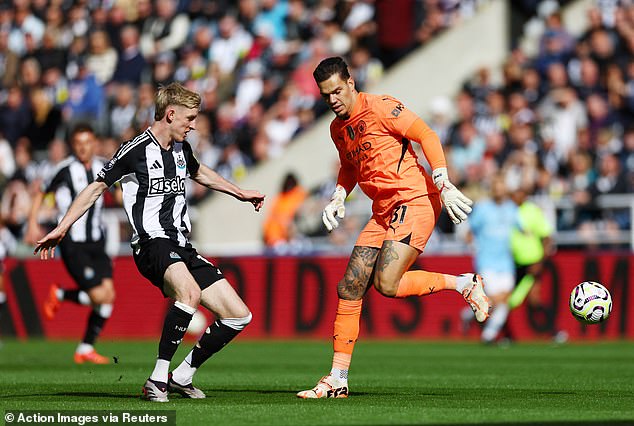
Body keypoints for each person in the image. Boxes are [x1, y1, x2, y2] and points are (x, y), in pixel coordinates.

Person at [34, 82, 265, 402]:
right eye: (190, 118)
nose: (194, 125)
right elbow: (96, 187)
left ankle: (182, 376)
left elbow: (201, 174)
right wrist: (62, 227)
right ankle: (157, 380)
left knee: (238, 315)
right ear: (170, 114)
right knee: (190, 293)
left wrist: (240, 193)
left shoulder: (182, 149)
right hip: (151, 242)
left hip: (182, 245)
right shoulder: (135, 149)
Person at [297, 57, 490, 399]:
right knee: (350, 286)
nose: (333, 100)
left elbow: (425, 134)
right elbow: (349, 166)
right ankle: (337, 379)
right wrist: (339, 195)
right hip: (382, 210)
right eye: (326, 96)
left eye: (337, 91)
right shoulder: (337, 128)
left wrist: (443, 178)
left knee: (386, 283)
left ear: (351, 83)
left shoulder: (382, 107)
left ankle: (462, 283)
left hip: (414, 199)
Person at [25, 124, 116, 364]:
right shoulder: (64, 169)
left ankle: (85, 348)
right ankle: (61, 293)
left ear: (94, 143)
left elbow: (117, 192)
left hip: (97, 241)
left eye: (87, 142)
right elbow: (41, 193)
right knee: (98, 296)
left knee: (109, 296)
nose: (83, 147)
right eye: (78, 143)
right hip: (73, 244)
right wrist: (33, 223)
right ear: (73, 145)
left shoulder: (103, 166)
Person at [463, 175, 517, 344]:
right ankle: (488, 334)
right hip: (487, 261)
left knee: (504, 300)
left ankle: (471, 317)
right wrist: (474, 247)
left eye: (502, 186)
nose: (499, 190)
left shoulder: (512, 208)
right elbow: (470, 231)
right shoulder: (483, 208)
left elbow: (522, 229)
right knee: (495, 297)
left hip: (506, 262)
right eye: (496, 186)